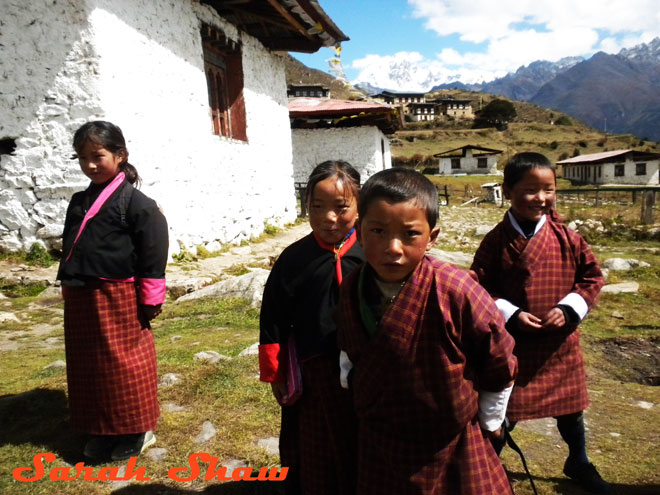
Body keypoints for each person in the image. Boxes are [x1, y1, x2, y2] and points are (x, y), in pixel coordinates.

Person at [335, 168, 517, 494]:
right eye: (377, 231)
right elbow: (350, 342)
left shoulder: (456, 289)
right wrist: (349, 374)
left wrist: (491, 419)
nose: (393, 247)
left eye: (409, 234)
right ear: (359, 233)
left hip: (450, 441)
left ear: (432, 238)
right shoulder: (351, 288)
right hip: (382, 437)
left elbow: (499, 357)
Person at [471, 152, 611, 494]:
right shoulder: (495, 241)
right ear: (507, 191)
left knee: (571, 409)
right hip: (512, 347)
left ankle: (578, 460)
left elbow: (593, 276)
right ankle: (487, 465)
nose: (542, 198)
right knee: (507, 412)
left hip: (558, 346)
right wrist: (511, 313)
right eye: (531, 189)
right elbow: (478, 287)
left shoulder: (568, 238)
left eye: (549, 189)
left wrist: (570, 306)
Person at [57, 121, 168, 461]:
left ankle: (137, 429)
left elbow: (153, 248)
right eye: (82, 158)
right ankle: (101, 429)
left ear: (120, 156)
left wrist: (151, 295)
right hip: (82, 295)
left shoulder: (135, 203)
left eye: (98, 156)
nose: (90, 164)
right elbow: (70, 245)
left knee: (124, 364)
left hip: (118, 296)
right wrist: (68, 281)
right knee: (89, 365)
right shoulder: (79, 200)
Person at [259, 161, 363, 495]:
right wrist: (276, 373)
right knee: (314, 444)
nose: (328, 218)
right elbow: (273, 317)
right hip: (313, 371)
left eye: (341, 207)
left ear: (361, 205)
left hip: (367, 370)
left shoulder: (372, 252)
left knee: (361, 440)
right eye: (317, 207)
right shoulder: (294, 259)